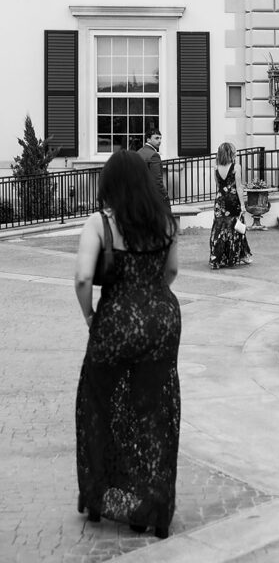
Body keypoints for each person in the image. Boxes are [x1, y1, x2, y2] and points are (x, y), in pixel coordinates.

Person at [74, 150, 180, 539]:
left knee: (99, 404)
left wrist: (90, 315)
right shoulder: (164, 222)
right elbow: (171, 271)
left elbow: (84, 277)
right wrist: (150, 297)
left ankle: (102, 497)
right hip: (163, 320)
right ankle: (151, 507)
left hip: (117, 320)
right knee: (154, 409)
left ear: (109, 184)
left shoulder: (100, 223)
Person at [210, 142, 251, 268]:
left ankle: (217, 257)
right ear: (230, 153)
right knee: (235, 227)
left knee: (219, 228)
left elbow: (218, 185)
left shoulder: (216, 167)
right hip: (232, 200)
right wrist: (243, 205)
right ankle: (237, 255)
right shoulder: (236, 167)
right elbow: (238, 187)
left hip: (220, 200)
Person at [137, 128, 172, 214]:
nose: (159, 141)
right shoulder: (154, 155)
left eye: (160, 138)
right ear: (148, 139)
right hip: (151, 197)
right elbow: (157, 180)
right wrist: (165, 196)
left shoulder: (138, 152)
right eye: (156, 138)